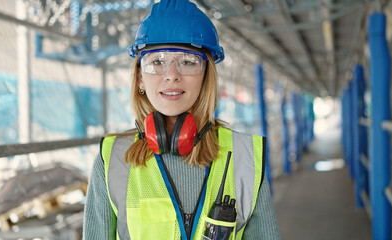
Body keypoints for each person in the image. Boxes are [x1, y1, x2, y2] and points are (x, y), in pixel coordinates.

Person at [83, 0, 280, 239]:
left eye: (188, 62)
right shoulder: (112, 160)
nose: (172, 76)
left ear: (206, 76)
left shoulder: (245, 157)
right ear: (140, 78)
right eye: (157, 62)